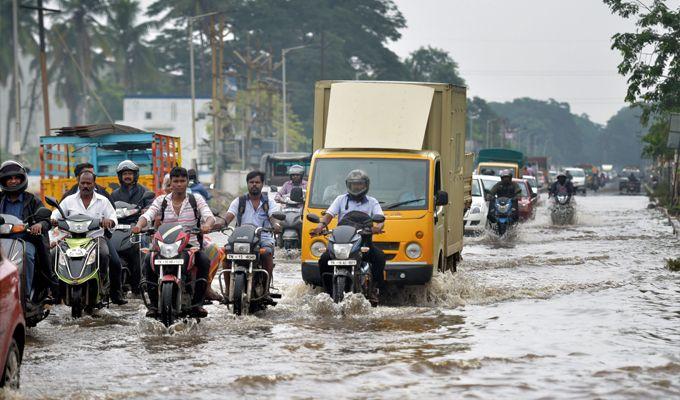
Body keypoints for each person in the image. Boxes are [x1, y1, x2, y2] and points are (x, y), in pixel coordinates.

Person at [132, 166, 216, 318]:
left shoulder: (195, 199)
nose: (178, 184)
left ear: (187, 182)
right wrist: (139, 225)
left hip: (190, 246)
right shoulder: (161, 201)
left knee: (204, 261)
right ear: (170, 183)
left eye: (182, 181)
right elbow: (148, 215)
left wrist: (207, 225)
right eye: (175, 181)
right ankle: (152, 305)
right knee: (147, 261)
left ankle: (198, 304)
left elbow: (209, 216)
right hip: (164, 246)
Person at [51, 170, 127, 305]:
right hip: (71, 240)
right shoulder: (69, 200)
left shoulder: (103, 201)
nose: (85, 186)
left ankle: (108, 288)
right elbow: (56, 213)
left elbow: (113, 217)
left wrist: (109, 221)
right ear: (78, 183)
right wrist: (54, 219)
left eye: (88, 183)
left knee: (111, 259)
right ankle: (55, 291)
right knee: (53, 255)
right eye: (83, 183)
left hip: (95, 238)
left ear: (94, 184)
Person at [311, 169, 385, 303]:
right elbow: (328, 215)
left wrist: (377, 228)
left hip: (364, 241)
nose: (356, 187)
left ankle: (374, 290)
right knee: (323, 260)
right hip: (341, 241)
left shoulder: (372, 202)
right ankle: (327, 291)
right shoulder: (340, 199)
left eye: (360, 184)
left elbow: (380, 219)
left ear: (366, 185)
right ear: (348, 185)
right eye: (353, 184)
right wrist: (319, 227)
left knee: (380, 258)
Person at [221, 170, 281, 296]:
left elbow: (273, 217)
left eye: (257, 182)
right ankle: (227, 290)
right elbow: (229, 216)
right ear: (247, 184)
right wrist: (220, 224)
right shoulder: (239, 201)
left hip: (263, 238)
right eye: (251, 182)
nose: (254, 184)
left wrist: (276, 225)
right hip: (241, 238)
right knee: (226, 253)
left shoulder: (269, 203)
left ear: (262, 184)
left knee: (267, 254)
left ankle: (265, 289)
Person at [0, 161, 53, 300]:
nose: (13, 181)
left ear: (22, 179)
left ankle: (26, 295)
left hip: (24, 240)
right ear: (4, 181)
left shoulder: (32, 200)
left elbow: (46, 220)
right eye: (9, 178)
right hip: (2, 242)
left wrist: (39, 225)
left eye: (16, 178)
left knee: (27, 255)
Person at [111, 160, 153, 294]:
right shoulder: (114, 194)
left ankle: (144, 279)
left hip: (138, 228)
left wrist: (146, 210)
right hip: (118, 228)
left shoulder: (144, 191)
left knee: (144, 249)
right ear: (120, 176)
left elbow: (152, 207)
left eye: (130, 173)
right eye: (125, 174)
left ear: (135, 175)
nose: (127, 176)